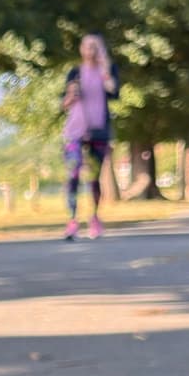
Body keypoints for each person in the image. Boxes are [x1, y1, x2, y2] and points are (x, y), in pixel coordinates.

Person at [61, 33, 120, 239]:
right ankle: (72, 220)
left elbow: (113, 91)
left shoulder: (108, 70)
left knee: (94, 177)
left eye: (95, 46)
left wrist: (104, 69)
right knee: (73, 174)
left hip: (99, 130)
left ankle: (94, 218)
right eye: (87, 46)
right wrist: (71, 96)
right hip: (74, 131)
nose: (91, 50)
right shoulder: (74, 72)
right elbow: (64, 104)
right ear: (81, 49)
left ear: (100, 49)